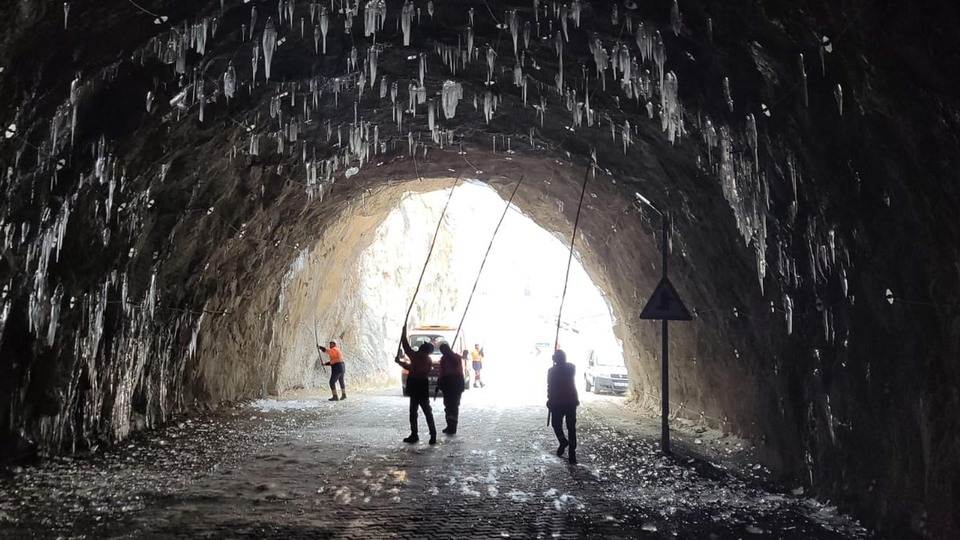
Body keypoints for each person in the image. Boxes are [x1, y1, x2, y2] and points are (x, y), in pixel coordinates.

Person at [396, 326, 437, 444]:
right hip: (422, 386)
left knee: (413, 412)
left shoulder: (417, 356)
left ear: (423, 348)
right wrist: (400, 362)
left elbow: (406, 346)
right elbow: (413, 368)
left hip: (415, 385)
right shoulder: (428, 360)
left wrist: (403, 334)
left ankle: (414, 434)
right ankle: (432, 435)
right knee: (427, 411)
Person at [547, 349, 579, 464]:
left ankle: (566, 445)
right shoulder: (570, 368)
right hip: (568, 402)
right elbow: (550, 387)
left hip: (558, 402)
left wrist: (549, 400)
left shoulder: (552, 371)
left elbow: (550, 387)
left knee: (557, 425)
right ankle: (569, 449)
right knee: (570, 427)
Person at [435, 343, 465, 435]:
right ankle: (450, 425)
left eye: (443, 351)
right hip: (449, 384)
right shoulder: (447, 358)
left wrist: (449, 357)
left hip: (453, 383)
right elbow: (442, 373)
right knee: (449, 406)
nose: (443, 353)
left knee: (453, 406)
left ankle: (452, 426)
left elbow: (451, 368)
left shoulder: (454, 358)